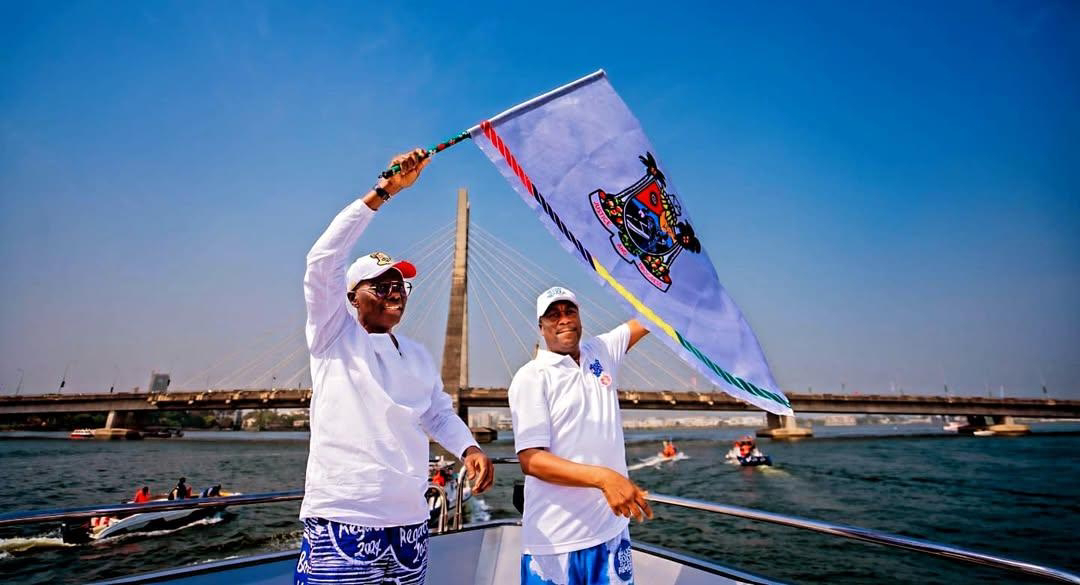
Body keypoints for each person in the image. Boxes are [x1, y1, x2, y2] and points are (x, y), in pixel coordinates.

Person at [295, 149, 494, 585]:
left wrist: (469, 449)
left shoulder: (417, 355)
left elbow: (437, 414)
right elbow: (321, 262)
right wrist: (384, 191)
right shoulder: (334, 337)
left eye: (401, 285)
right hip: (344, 520)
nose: (396, 292)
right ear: (351, 297)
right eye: (381, 285)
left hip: (409, 524)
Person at [510, 286, 651, 585]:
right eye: (553, 314)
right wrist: (604, 478)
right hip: (556, 543)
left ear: (579, 317)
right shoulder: (532, 377)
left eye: (569, 311)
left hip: (611, 534)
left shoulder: (600, 351)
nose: (563, 319)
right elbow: (532, 460)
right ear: (541, 326)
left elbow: (652, 316)